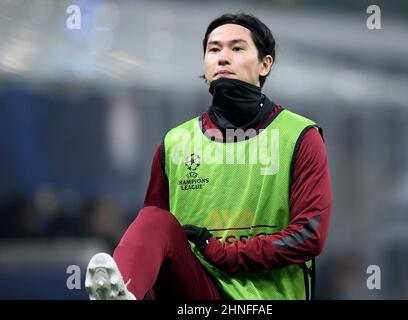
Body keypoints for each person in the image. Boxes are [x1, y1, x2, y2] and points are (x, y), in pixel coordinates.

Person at [85, 12, 332, 300]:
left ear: (265, 64)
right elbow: (155, 245)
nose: (222, 57)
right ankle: (121, 294)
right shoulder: (174, 143)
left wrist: (224, 253)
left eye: (237, 48)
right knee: (154, 219)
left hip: (264, 301)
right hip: (196, 295)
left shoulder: (300, 135)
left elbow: (309, 234)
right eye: (214, 49)